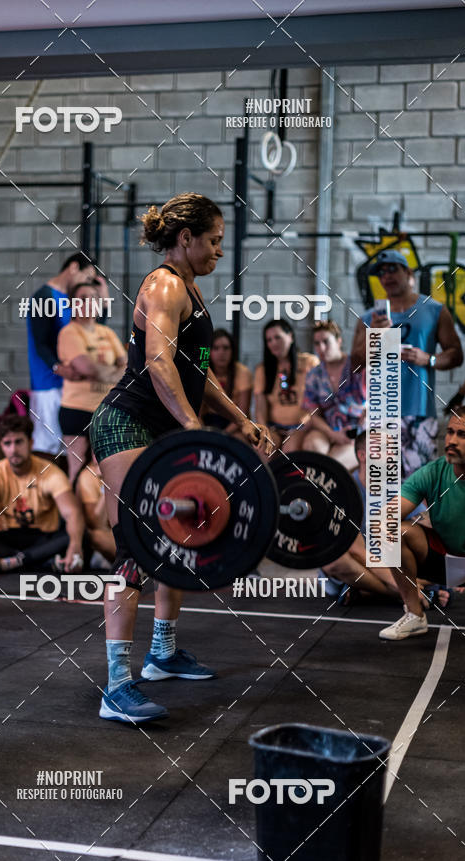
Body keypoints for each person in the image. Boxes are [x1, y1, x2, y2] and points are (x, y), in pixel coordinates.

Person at [89, 192, 270, 724]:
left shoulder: (188, 287)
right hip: (127, 422)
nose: (219, 251)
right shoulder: (165, 283)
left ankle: (162, 653)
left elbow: (196, 372)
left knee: (179, 534)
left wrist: (236, 416)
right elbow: (159, 360)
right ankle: (116, 686)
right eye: (213, 241)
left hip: (162, 424)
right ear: (185, 238)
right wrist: (194, 430)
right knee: (134, 545)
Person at [351, 249, 463, 477]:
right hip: (381, 410)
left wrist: (428, 359)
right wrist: (376, 335)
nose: (387, 276)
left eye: (392, 268)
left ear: (408, 272)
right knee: (380, 485)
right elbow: (355, 363)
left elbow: (456, 355)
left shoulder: (434, 310)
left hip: (419, 411)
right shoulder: (369, 318)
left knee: (419, 483)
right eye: (381, 272)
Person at [379, 405, 465, 640]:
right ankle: (414, 615)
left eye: (463, 435)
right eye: (450, 432)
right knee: (391, 530)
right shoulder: (433, 472)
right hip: (445, 562)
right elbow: (385, 518)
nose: (451, 440)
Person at [0, 414, 85, 575]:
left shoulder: (51, 473)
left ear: (30, 443)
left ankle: (5, 564)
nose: (13, 449)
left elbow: (73, 513)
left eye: (19, 442)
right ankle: (38, 562)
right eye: (7, 443)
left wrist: (75, 545)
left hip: (41, 539)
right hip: (6, 539)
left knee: (78, 534)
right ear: (1, 446)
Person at [27, 253, 108, 456]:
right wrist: (59, 368)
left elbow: (92, 332)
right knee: (48, 447)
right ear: (73, 268)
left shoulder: (72, 299)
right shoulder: (44, 297)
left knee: (71, 450)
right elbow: (41, 342)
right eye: (87, 277)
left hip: (71, 386)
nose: (88, 283)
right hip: (48, 385)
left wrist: (104, 300)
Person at [57, 281, 126, 483]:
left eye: (94, 298)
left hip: (107, 411)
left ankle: (101, 515)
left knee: (104, 472)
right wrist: (112, 371)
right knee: (78, 473)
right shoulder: (69, 332)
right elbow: (89, 368)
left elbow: (127, 369)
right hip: (78, 410)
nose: (89, 302)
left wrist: (102, 373)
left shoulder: (107, 333)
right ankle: (73, 515)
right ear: (73, 304)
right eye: (83, 299)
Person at [320, 430, 401, 604]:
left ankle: (369, 592)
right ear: (363, 455)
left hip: (382, 566)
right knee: (334, 561)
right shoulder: (343, 491)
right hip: (350, 570)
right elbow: (356, 551)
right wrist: (409, 587)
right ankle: (403, 593)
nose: (392, 454)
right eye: (384, 448)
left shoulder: (398, 488)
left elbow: (427, 526)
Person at [302, 320, 366, 470]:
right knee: (312, 446)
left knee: (331, 466)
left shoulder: (356, 366)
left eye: (326, 341)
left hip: (356, 433)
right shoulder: (314, 374)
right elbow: (313, 414)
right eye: (317, 343)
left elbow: (374, 401)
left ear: (338, 341)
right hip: (328, 429)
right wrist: (332, 434)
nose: (321, 348)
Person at [253, 319, 318, 453]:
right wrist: (264, 431)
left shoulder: (309, 363)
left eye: (278, 337)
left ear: (291, 337)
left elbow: (320, 401)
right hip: (274, 428)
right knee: (265, 449)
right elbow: (260, 407)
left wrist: (303, 427)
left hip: (301, 427)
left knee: (290, 449)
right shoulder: (262, 369)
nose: (273, 343)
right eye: (269, 340)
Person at [200, 329, 253, 439]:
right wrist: (203, 432)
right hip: (208, 422)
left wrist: (222, 435)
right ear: (209, 351)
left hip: (235, 422)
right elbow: (197, 412)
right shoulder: (202, 370)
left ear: (232, 351)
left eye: (226, 348)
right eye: (216, 348)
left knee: (238, 443)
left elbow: (243, 413)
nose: (221, 353)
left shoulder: (243, 372)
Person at [76, 452, 116, 569]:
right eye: (95, 452)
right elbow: (96, 524)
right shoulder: (88, 475)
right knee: (95, 536)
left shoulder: (130, 468)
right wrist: (108, 482)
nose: (98, 455)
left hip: (130, 534)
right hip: (108, 534)